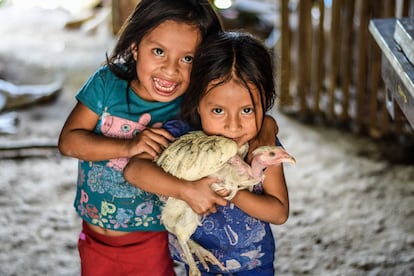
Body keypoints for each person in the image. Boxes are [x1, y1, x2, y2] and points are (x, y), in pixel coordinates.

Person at [58, 1, 228, 275]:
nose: (171, 70)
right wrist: (129, 145)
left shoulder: (191, 106)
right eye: (159, 51)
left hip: (152, 238)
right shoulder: (106, 83)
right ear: (135, 46)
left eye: (188, 58)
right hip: (93, 234)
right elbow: (69, 142)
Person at [124, 31, 290, 275]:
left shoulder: (262, 150)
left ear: (265, 103)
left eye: (246, 110)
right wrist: (187, 190)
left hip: (252, 265)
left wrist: (231, 191)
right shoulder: (182, 136)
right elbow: (134, 171)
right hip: (195, 263)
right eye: (218, 111)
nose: (233, 126)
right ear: (197, 102)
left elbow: (278, 212)